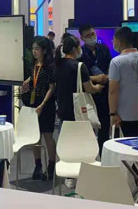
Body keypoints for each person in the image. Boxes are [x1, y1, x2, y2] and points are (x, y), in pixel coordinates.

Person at [21, 36, 57, 180]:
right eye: (33, 49)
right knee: (35, 136)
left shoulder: (50, 66)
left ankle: (51, 166)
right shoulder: (34, 64)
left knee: (48, 135)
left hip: (46, 105)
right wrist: (28, 81)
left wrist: (42, 104)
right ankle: (38, 165)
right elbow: (34, 77)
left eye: (37, 49)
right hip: (33, 103)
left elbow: (51, 87)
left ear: (44, 50)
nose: (34, 52)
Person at [55, 35, 104, 123]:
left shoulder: (58, 65)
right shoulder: (79, 66)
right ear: (74, 49)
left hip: (62, 109)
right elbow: (90, 89)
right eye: (79, 47)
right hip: (77, 111)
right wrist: (98, 87)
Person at [79, 24, 112, 153]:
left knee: (104, 126)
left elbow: (110, 66)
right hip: (89, 94)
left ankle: (103, 155)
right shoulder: (80, 53)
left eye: (93, 34)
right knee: (88, 128)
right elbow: (79, 74)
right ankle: (90, 155)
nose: (92, 37)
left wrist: (107, 76)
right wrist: (95, 78)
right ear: (82, 38)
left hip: (105, 93)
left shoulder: (103, 49)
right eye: (88, 35)